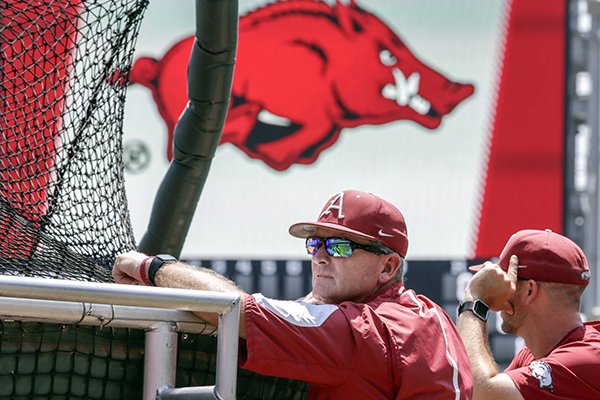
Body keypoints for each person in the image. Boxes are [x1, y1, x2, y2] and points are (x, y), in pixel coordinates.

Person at [113, 189, 473, 399]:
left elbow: (234, 310)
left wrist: (153, 267)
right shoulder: (426, 312)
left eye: (341, 246)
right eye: (315, 243)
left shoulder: (362, 329)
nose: (320, 255)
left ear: (388, 267)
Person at [457, 229, 600, 399]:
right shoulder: (532, 354)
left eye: (505, 282)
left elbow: (480, 392)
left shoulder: (586, 357)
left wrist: (475, 302)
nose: (497, 292)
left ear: (530, 290)